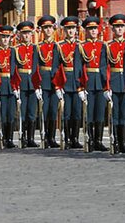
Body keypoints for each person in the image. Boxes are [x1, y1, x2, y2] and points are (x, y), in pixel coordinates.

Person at [74, 16, 108, 152]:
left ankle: (98, 140)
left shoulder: (102, 46)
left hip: (100, 83)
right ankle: (90, 140)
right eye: (90, 29)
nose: (93, 31)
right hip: (87, 83)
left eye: (95, 28)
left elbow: (105, 66)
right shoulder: (81, 47)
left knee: (99, 113)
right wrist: (80, 87)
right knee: (89, 114)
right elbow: (78, 67)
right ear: (86, 31)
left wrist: (107, 86)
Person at [55, 16, 82, 149]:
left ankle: (75, 138)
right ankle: (66, 138)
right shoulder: (60, 46)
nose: (71, 31)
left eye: (73, 28)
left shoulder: (80, 46)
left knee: (76, 112)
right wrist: (58, 86)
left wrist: (83, 85)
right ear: (64, 30)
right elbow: (56, 67)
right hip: (65, 82)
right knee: (66, 113)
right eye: (68, 29)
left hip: (77, 83)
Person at [105, 14, 125, 154]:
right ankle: (115, 142)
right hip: (114, 82)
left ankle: (123, 142)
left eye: (121, 26)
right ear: (112, 29)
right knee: (114, 115)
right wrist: (106, 86)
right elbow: (105, 67)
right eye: (117, 27)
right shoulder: (108, 46)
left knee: (124, 115)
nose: (119, 29)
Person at [36, 15, 61, 148]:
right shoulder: (38, 47)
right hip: (44, 81)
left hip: (55, 81)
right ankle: (44, 137)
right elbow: (36, 66)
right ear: (42, 30)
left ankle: (52, 137)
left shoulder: (58, 46)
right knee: (44, 110)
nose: (48, 30)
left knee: (53, 111)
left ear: (54, 29)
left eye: (50, 27)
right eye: (45, 28)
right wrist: (37, 84)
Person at [0, 26, 17, 149]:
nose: (5, 40)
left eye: (7, 37)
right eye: (3, 37)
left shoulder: (13, 51)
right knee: (3, 114)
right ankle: (4, 138)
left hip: (11, 86)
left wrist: (16, 86)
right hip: (1, 85)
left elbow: (16, 70)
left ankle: (10, 138)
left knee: (11, 114)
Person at [15, 21, 39, 148]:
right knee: (23, 112)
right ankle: (23, 137)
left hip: (33, 82)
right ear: (20, 35)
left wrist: (38, 85)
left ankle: (31, 138)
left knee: (32, 112)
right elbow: (14, 69)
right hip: (22, 82)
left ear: (32, 34)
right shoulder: (16, 49)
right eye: (24, 33)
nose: (26, 36)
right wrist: (15, 86)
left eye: (28, 33)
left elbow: (38, 67)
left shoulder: (36, 48)